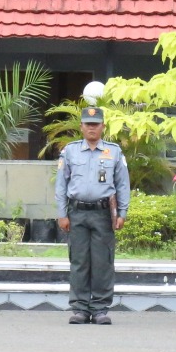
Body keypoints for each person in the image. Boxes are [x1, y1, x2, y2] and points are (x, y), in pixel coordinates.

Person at [55, 106, 129, 324]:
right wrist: (62, 214)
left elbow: (123, 184)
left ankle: (100, 309)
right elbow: (61, 184)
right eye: (88, 124)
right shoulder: (70, 151)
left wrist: (122, 212)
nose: (91, 128)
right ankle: (79, 308)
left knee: (102, 261)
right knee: (79, 261)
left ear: (102, 126)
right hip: (77, 212)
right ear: (81, 126)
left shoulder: (114, 152)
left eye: (95, 124)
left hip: (103, 213)